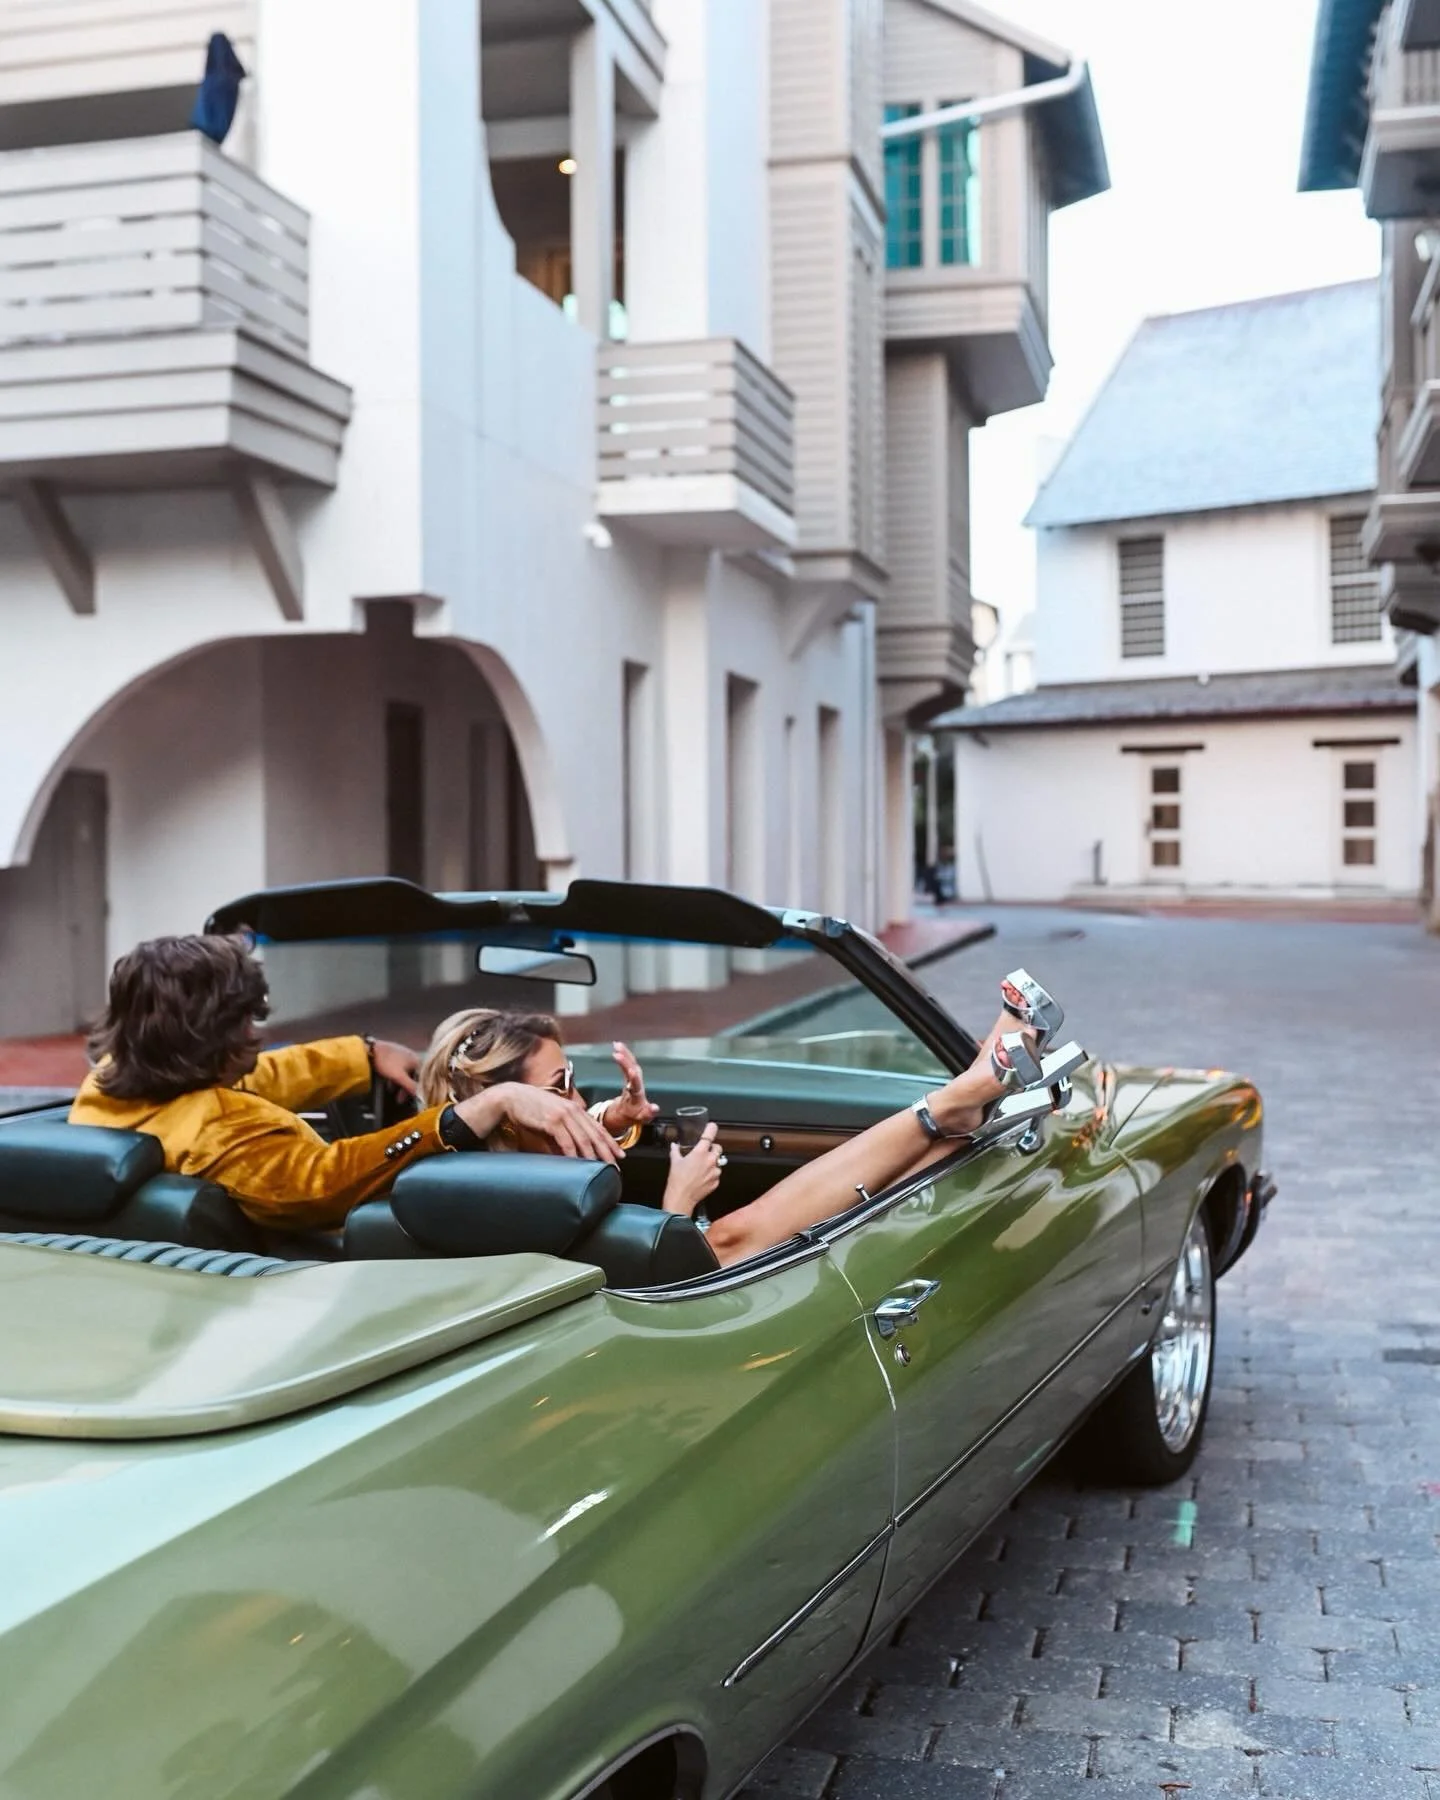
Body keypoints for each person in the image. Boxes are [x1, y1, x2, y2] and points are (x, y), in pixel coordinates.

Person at [420, 971, 1066, 1268]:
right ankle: (955, 1102)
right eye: (558, 1087)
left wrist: (619, 1118)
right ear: (509, 1113)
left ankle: (961, 1107)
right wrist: (677, 1207)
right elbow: (654, 1266)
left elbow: (579, 1125)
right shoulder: (508, 1203)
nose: (574, 1097)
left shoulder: (467, 1175)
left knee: (895, 1173)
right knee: (733, 1235)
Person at [69, 934, 629, 1232]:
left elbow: (269, 1073)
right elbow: (325, 1180)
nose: (257, 1033)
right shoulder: (219, 1129)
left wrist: (363, 1055)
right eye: (244, 1021)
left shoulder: (116, 1087)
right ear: (209, 1035)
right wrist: (468, 1115)